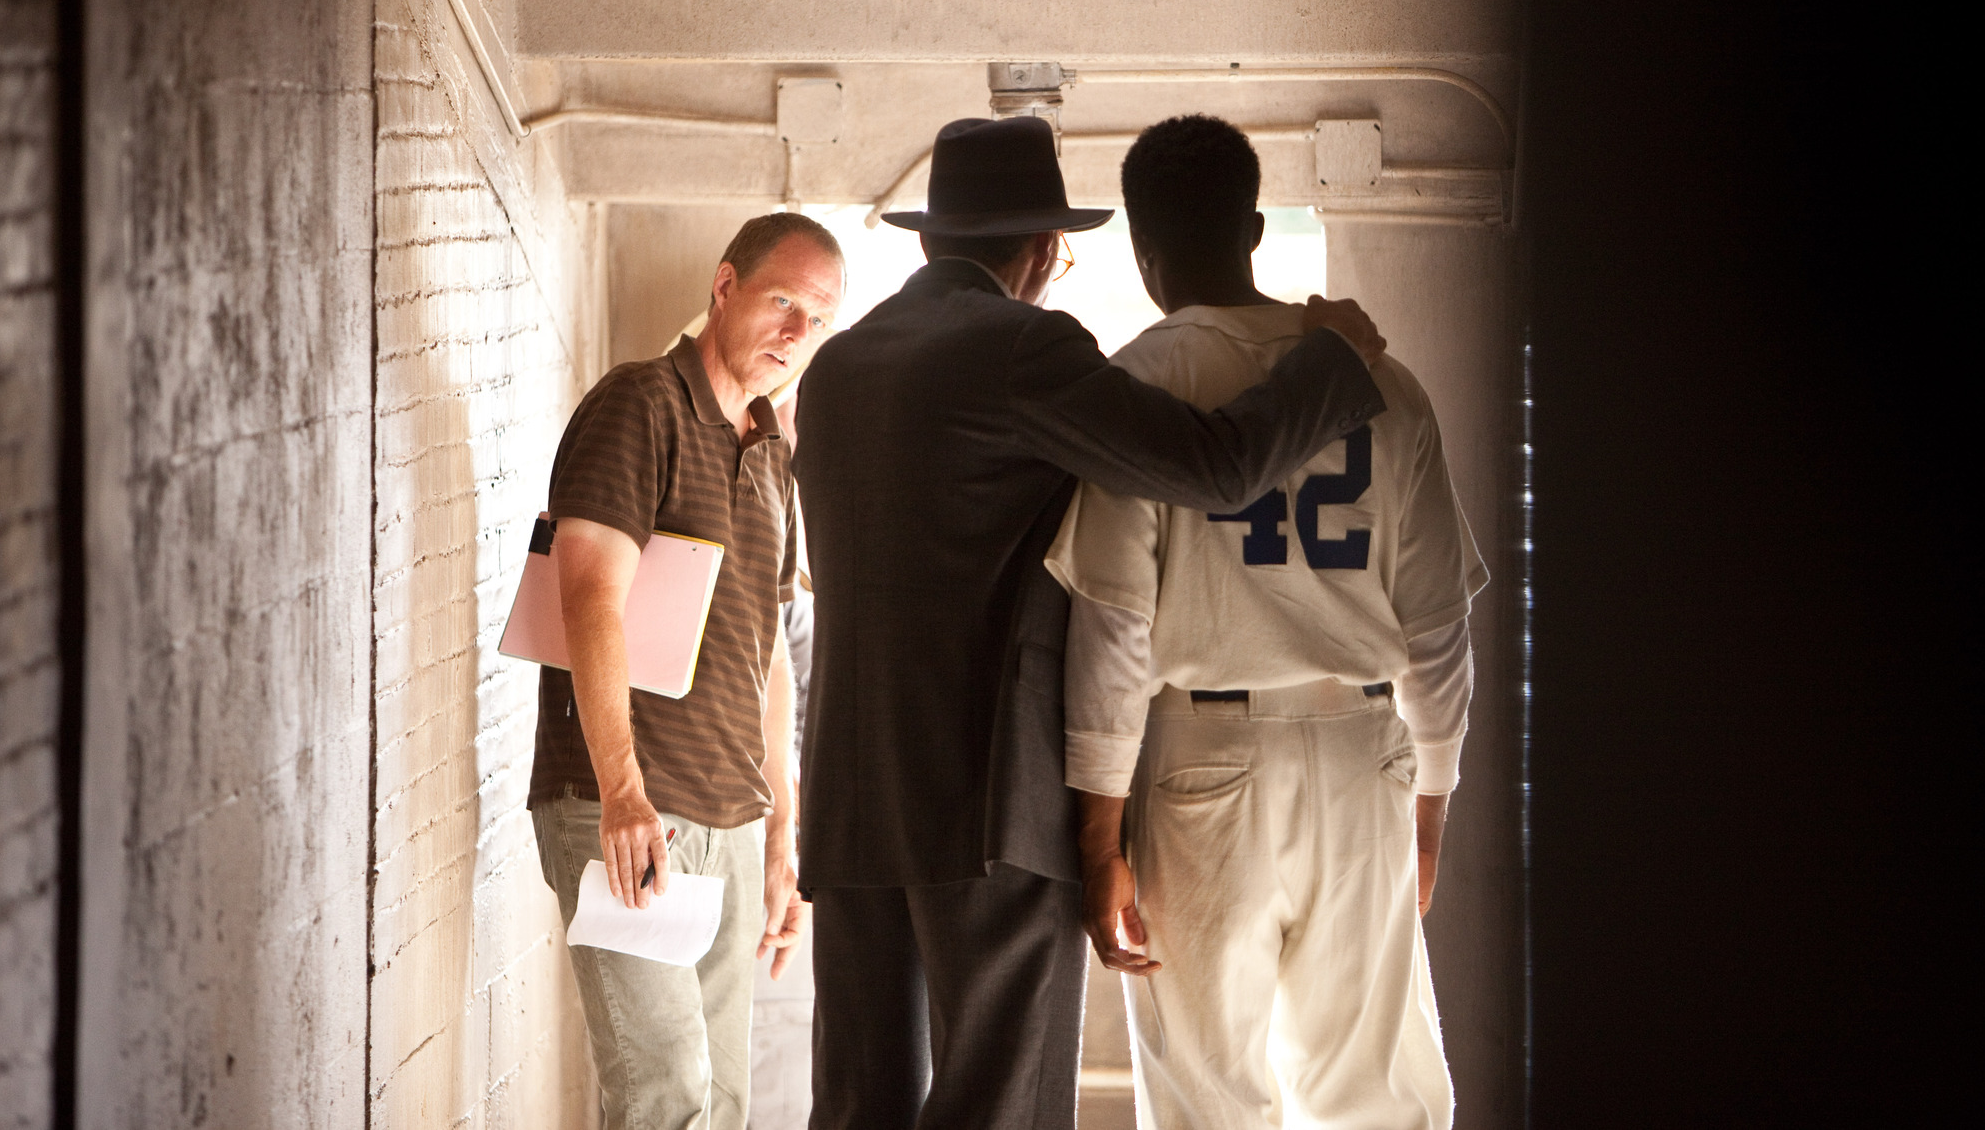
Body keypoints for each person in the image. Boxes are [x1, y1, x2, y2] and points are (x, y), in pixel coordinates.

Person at [793, 115, 1391, 1130]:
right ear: (1037, 252)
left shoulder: (835, 369)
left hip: (849, 800)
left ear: (932, 242)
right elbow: (1212, 467)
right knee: (999, 1105)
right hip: (987, 799)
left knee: (859, 1108)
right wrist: (1331, 359)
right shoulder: (1023, 348)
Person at [1045, 115, 1488, 1130]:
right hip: (1363, 751)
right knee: (1371, 1088)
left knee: (1207, 1090)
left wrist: (1096, 835)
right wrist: (1428, 803)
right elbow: (1433, 634)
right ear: (1251, 227)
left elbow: (1112, 633)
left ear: (1143, 253)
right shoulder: (1380, 379)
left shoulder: (1140, 381)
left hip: (1204, 757)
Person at [525, 212, 844, 1130]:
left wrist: (784, 836)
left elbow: (772, 654)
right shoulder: (642, 404)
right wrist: (622, 790)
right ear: (723, 285)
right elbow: (589, 594)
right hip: (627, 809)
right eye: (783, 300)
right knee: (664, 1095)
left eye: (816, 318)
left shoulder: (774, 454)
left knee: (722, 1103)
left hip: (731, 822)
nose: (796, 333)